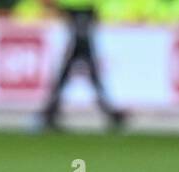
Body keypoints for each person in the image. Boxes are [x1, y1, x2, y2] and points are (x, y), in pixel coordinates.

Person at [42, 0, 125, 131]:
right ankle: (49, 113)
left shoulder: (74, 9)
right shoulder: (86, 10)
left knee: (67, 80)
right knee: (91, 81)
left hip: (78, 46)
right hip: (82, 46)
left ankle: (49, 113)